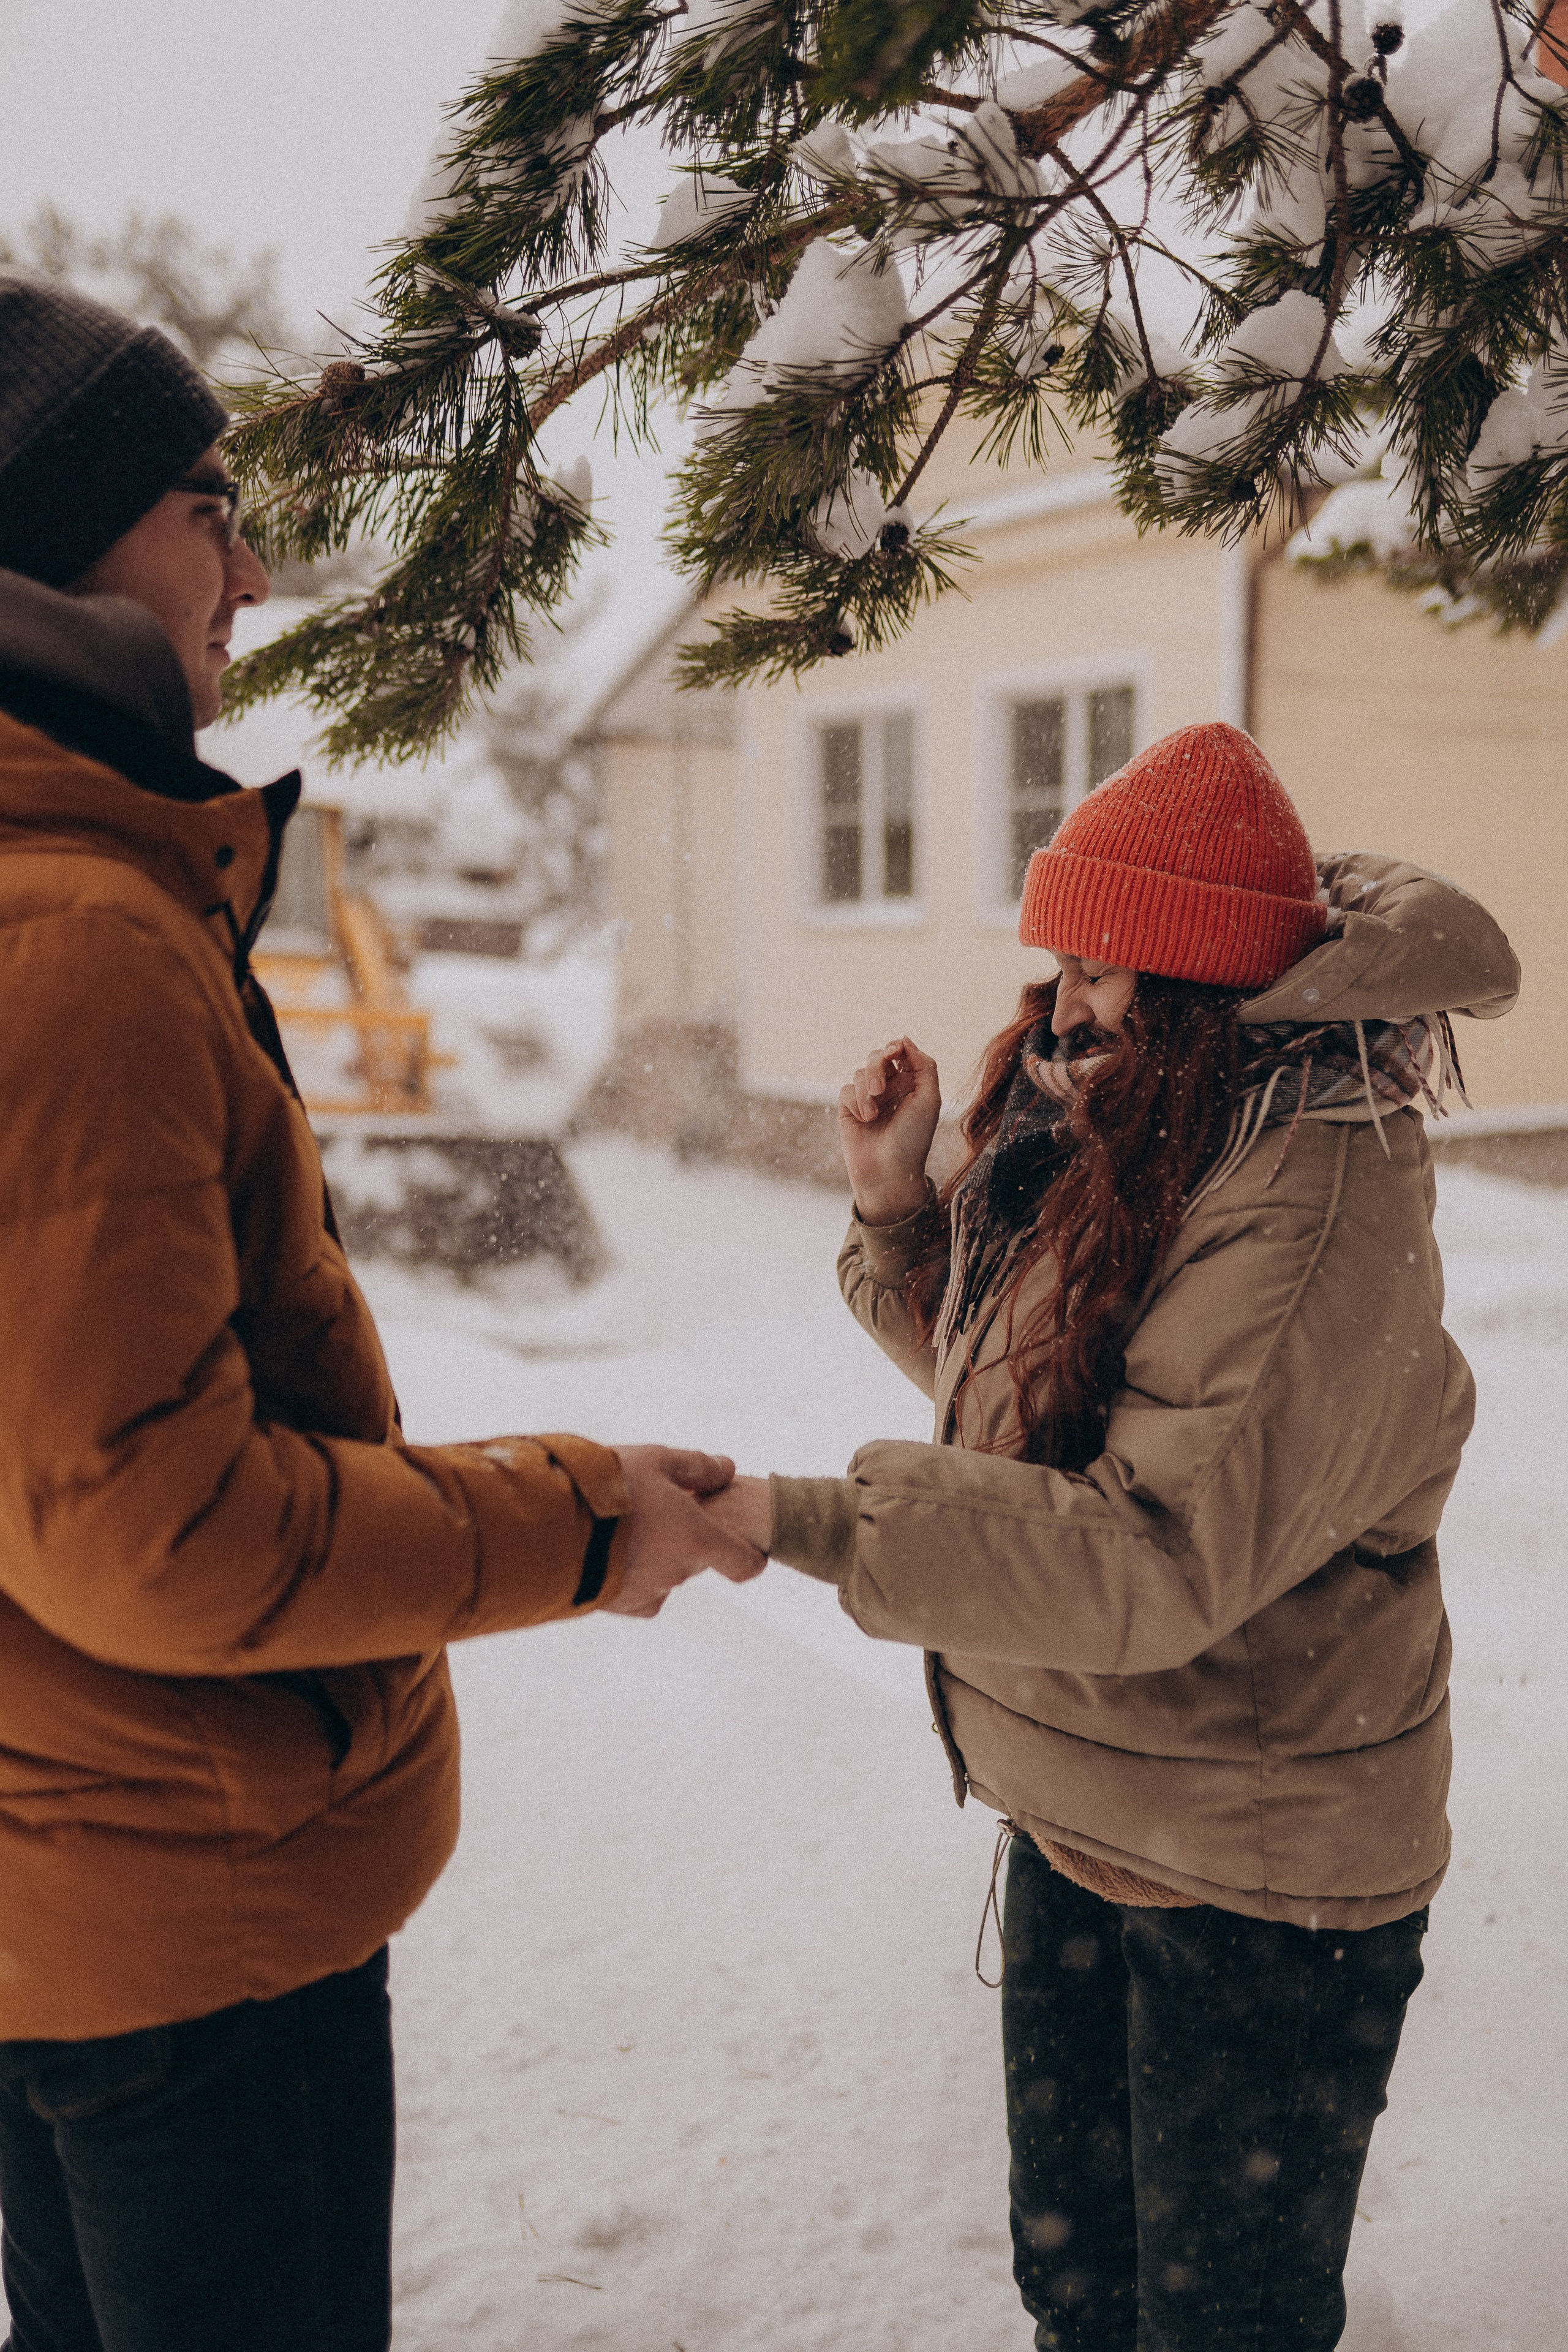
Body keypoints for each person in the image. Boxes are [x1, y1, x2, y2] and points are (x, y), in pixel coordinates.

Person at [0, 272, 763, 2352]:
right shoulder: (70, 938)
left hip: (66, 1887)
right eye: (202, 506)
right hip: (184, 1909)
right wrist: (581, 1518)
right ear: (51, 537)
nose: (251, 567)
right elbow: (153, 1526)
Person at [707, 722, 1520, 2351]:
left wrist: (797, 1521)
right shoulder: (1159, 1118)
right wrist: (897, 1209)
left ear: (1205, 979)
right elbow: (1046, 1408)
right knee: (1079, 2289)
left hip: (1256, 1869)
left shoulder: (1305, 1193)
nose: (1064, 1002)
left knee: (1212, 2323)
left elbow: (1135, 1554)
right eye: (1061, 955)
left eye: (1101, 963)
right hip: (1097, 1805)